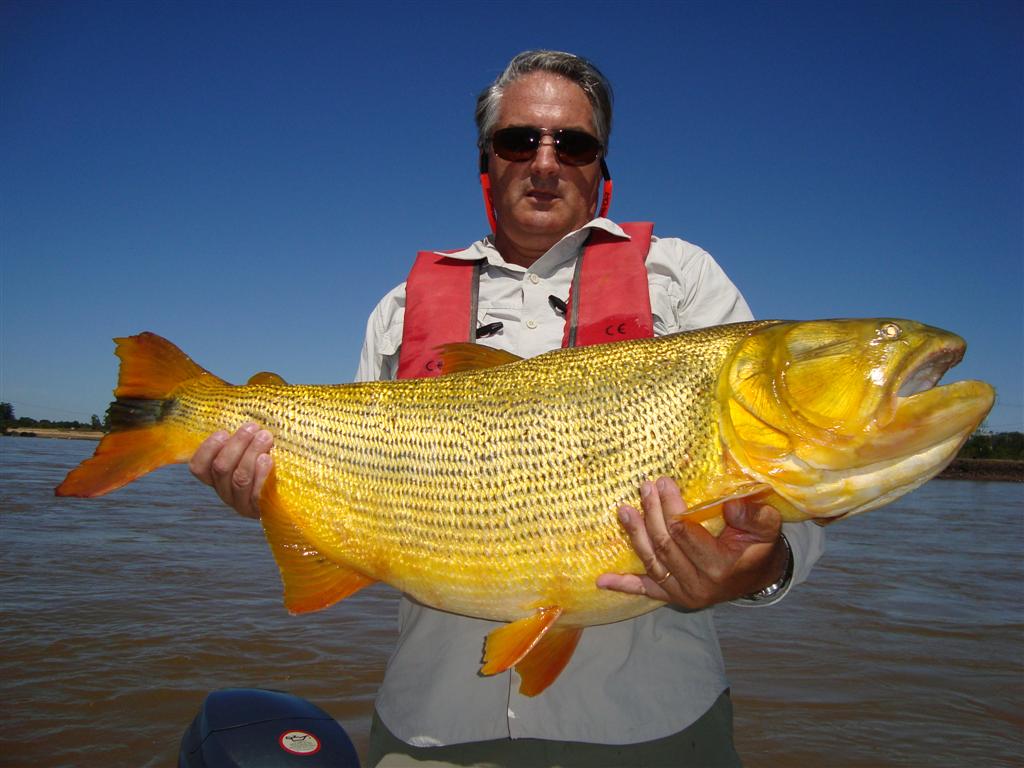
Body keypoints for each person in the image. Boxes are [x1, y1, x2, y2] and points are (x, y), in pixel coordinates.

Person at [190, 50, 826, 767]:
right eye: (520, 140)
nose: (546, 162)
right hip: (434, 725)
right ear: (486, 161)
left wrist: (763, 566)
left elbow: (791, 489)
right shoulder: (398, 311)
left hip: (656, 725)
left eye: (574, 143)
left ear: (601, 166)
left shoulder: (681, 279)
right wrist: (267, 491)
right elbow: (345, 489)